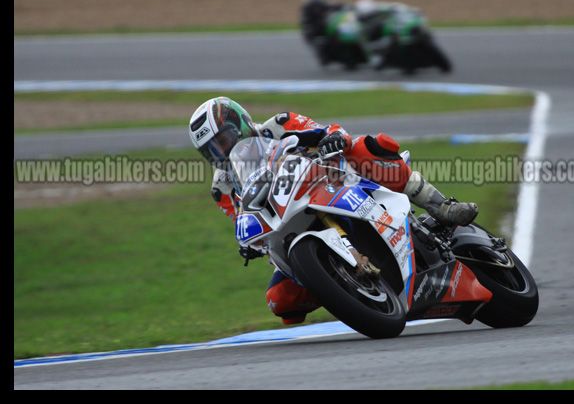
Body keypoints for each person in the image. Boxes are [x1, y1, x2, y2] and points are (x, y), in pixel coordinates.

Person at [188, 96, 478, 325]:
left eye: (223, 140)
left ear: (240, 123)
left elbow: (331, 130)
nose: (221, 152)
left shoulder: (279, 124)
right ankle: (343, 287)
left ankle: (441, 206)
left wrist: (334, 139)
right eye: (211, 150)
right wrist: (251, 245)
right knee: (279, 301)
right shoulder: (222, 188)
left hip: (332, 180)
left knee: (366, 147)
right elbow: (242, 220)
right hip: (287, 226)